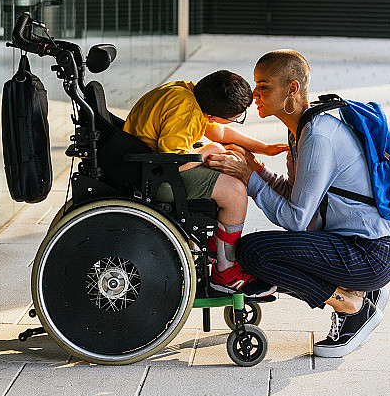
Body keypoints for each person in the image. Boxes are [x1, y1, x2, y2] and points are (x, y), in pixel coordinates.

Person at [206, 50, 390, 357]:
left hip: (367, 253)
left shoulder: (318, 136)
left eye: (263, 86)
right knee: (256, 253)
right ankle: (362, 291)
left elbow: (296, 219)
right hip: (351, 244)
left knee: (254, 253)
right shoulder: (302, 129)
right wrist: (256, 172)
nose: (254, 94)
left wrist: (250, 179)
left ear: (292, 89)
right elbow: (298, 197)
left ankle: (352, 306)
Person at [123, 70, 288, 297]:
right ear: (211, 114)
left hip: (150, 166)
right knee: (235, 192)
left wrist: (265, 149)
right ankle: (225, 274)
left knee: (232, 160)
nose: (234, 121)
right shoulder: (185, 112)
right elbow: (174, 162)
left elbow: (219, 131)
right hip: (157, 178)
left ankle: (218, 247)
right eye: (235, 117)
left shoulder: (188, 93)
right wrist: (209, 151)